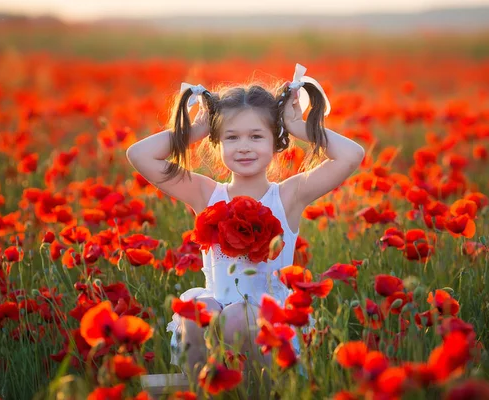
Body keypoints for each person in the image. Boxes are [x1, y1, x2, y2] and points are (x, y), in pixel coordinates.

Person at [126, 63, 365, 392]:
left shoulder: (288, 196)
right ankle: (202, 389)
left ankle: (261, 391)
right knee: (199, 310)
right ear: (217, 143)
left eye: (256, 136)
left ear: (276, 141)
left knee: (239, 315)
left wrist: (299, 127)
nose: (244, 146)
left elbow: (352, 155)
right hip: (219, 309)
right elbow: (138, 155)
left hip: (269, 321)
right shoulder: (206, 194)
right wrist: (192, 132)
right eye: (231, 137)